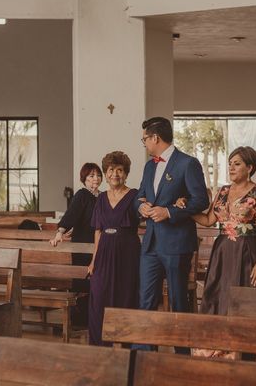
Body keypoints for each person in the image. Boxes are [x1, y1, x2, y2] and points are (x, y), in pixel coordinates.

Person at [136, 117, 208, 354]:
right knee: (145, 301)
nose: (144, 143)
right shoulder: (149, 166)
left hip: (176, 243)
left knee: (178, 301)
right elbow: (141, 195)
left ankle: (182, 357)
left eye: (144, 139)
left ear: (155, 137)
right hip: (150, 245)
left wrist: (169, 211)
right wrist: (141, 207)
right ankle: (144, 357)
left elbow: (200, 200)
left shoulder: (188, 163)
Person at [190, 147, 256, 331]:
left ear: (250, 167)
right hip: (222, 252)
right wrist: (185, 210)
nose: (231, 168)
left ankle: (248, 351)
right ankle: (219, 348)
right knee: (218, 295)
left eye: (237, 164)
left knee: (247, 300)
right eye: (230, 164)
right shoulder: (222, 192)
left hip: (249, 253)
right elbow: (208, 220)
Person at [87, 151, 140, 346]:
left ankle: (127, 347)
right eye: (111, 170)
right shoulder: (100, 198)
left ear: (126, 173)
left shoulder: (134, 195)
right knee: (99, 298)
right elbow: (98, 231)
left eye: (120, 170)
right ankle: (99, 348)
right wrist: (93, 261)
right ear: (105, 173)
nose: (115, 174)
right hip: (104, 253)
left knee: (126, 298)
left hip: (128, 253)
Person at [49, 162, 102, 328]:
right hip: (82, 244)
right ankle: (80, 320)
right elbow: (70, 215)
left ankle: (95, 318)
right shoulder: (82, 195)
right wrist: (60, 233)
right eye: (91, 175)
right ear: (84, 179)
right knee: (82, 282)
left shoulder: (104, 196)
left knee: (98, 282)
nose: (96, 178)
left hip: (99, 244)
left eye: (98, 175)